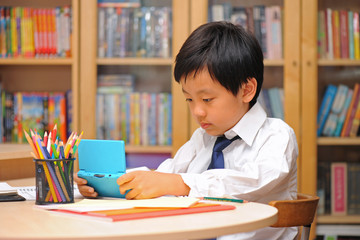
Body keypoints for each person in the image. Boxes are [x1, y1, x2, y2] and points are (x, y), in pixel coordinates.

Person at [74, 21, 298, 240]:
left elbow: (250, 181)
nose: (197, 111)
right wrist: (108, 183)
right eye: (189, 99)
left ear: (247, 90)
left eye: (207, 99)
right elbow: (165, 175)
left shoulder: (276, 135)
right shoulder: (202, 139)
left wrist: (179, 183)